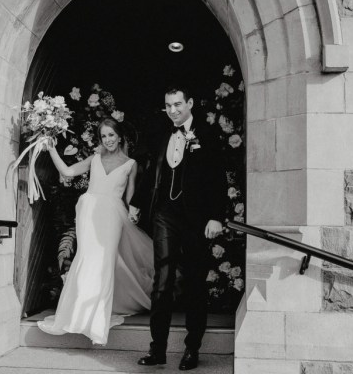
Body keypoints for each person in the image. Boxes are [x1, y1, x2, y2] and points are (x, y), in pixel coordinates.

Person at [129, 85, 227, 371]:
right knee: (162, 280)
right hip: (165, 215)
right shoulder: (162, 134)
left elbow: (217, 179)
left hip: (196, 218)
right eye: (168, 105)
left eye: (178, 104)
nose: (173, 110)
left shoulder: (207, 136)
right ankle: (157, 349)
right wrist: (136, 203)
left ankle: (191, 349)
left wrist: (216, 216)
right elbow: (150, 173)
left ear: (190, 103)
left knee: (195, 281)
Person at [37, 117, 154, 346]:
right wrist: (51, 150)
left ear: (119, 136)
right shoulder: (95, 158)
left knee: (104, 262)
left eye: (112, 135)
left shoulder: (130, 164)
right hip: (89, 213)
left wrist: (133, 212)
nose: (108, 140)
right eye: (104, 136)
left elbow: (129, 197)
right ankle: (77, 315)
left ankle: (97, 320)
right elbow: (68, 172)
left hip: (113, 215)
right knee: (87, 259)